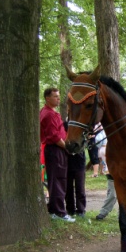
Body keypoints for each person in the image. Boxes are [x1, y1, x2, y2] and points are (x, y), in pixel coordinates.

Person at [40, 88, 75, 222]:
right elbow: (54, 136)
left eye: (58, 96)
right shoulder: (48, 114)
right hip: (55, 150)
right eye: (55, 96)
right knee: (59, 180)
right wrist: (67, 147)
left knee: (56, 180)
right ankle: (60, 212)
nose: (58, 99)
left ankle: (54, 209)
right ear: (47, 98)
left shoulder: (51, 112)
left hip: (56, 149)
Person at [64, 121, 87, 217]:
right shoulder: (65, 125)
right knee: (68, 187)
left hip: (79, 161)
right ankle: (70, 209)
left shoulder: (81, 126)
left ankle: (81, 210)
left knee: (80, 187)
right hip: (67, 161)